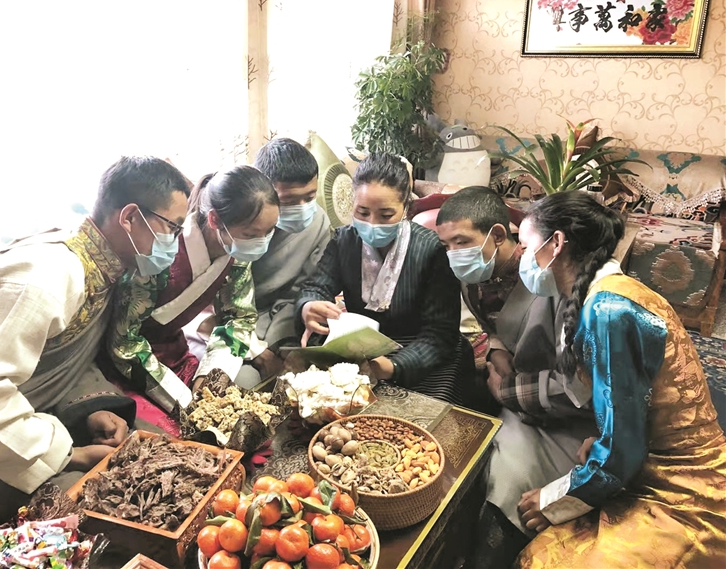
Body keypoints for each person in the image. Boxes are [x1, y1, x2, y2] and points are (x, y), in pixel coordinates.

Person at [0, 156, 190, 534]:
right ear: (130, 217)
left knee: (163, 455)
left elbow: (62, 359)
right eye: (172, 227)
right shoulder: (41, 278)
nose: (175, 242)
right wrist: (69, 455)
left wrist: (93, 411)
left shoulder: (104, 264)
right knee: (107, 510)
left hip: (37, 417)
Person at [511, 191, 726, 567]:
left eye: (525, 245)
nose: (520, 256)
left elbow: (623, 448)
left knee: (543, 560)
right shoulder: (606, 294)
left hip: (688, 486)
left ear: (556, 244)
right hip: (650, 459)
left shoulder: (609, 311)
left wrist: (554, 500)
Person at [436, 187, 598, 568]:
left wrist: (504, 390)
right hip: (518, 389)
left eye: (462, 242)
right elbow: (492, 328)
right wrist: (495, 350)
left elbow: (579, 386)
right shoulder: (473, 278)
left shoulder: (549, 278)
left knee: (508, 480)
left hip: (569, 411)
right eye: (446, 245)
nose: (454, 254)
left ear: (498, 235)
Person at [105, 166, 280, 433]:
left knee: (240, 418)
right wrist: (186, 401)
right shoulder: (160, 253)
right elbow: (124, 343)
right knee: (181, 435)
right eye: (251, 234)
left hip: (175, 353)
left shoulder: (235, 255)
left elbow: (239, 318)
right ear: (214, 220)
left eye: (268, 233)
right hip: (131, 365)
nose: (261, 242)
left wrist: (212, 376)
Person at [295, 152, 478, 407]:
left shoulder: (431, 250)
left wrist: (394, 366)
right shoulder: (344, 240)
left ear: (406, 209)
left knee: (425, 415)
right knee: (322, 402)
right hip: (362, 351)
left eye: (386, 215)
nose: (372, 223)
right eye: (362, 212)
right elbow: (317, 286)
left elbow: (440, 334)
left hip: (424, 353)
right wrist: (309, 306)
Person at [252, 138, 332, 349]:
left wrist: (279, 344)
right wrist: (256, 350)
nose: (302, 208)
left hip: (286, 314)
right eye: (288, 201)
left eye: (310, 197)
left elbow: (304, 290)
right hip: (238, 315)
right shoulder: (240, 225)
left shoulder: (318, 222)